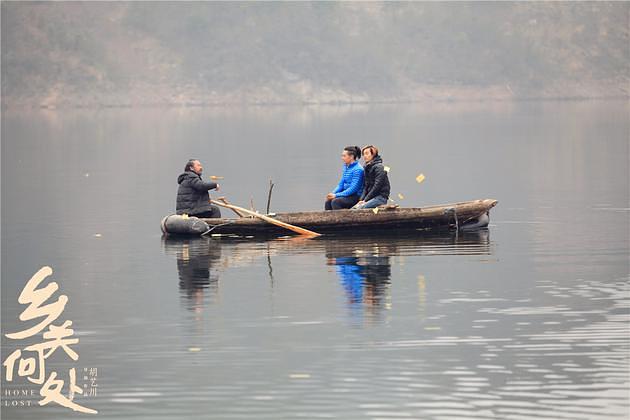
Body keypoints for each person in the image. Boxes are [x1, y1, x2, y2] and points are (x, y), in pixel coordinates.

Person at [325, 146, 364, 210]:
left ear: (351, 157)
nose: (342, 158)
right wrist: (333, 193)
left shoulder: (358, 169)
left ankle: (340, 219)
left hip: (355, 196)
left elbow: (353, 188)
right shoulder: (346, 166)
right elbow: (341, 184)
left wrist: (336, 195)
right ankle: (330, 219)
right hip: (346, 194)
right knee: (328, 202)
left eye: (344, 156)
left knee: (336, 202)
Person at [353, 145, 390, 210]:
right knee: (353, 209)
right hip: (370, 198)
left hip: (380, 198)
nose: (365, 156)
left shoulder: (379, 168)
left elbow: (377, 186)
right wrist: (361, 200)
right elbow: (365, 186)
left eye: (367, 153)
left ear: (373, 154)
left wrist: (366, 200)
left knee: (360, 209)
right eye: (363, 154)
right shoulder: (366, 168)